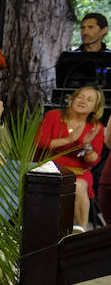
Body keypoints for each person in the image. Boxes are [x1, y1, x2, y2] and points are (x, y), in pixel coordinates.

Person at [35, 86, 105, 232]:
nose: (83, 101)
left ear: (95, 107)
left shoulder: (94, 127)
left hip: (78, 170)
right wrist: (69, 139)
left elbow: (93, 161)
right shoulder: (54, 116)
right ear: (72, 98)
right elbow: (40, 142)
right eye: (80, 96)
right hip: (50, 166)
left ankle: (80, 231)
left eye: (89, 99)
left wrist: (86, 145)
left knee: (79, 185)